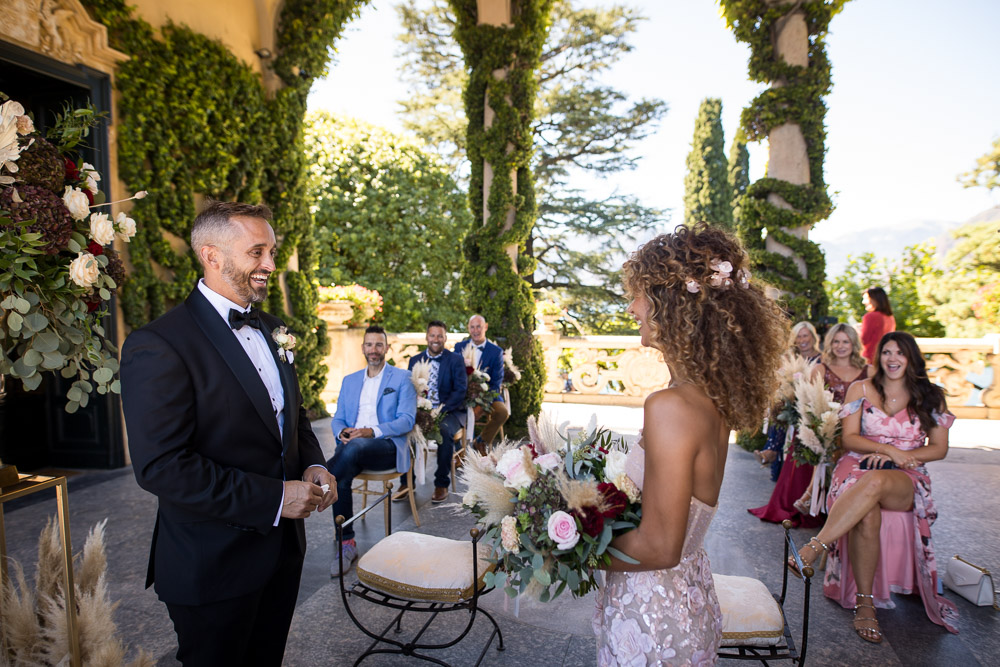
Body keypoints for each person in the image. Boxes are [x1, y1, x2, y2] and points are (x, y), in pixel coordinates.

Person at [120, 201, 337, 667]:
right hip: (212, 566)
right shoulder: (158, 344)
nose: (270, 265)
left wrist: (314, 463)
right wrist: (277, 498)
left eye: (273, 251)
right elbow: (163, 467)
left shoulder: (277, 330)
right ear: (211, 256)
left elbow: (292, 419)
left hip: (281, 555)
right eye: (257, 251)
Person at [594, 224, 789, 664]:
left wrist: (562, 547)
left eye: (640, 294)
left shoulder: (671, 406)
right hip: (688, 595)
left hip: (653, 612)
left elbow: (660, 546)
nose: (632, 307)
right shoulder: (708, 396)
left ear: (672, 303)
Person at [791, 332, 958, 642]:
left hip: (905, 473)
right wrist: (881, 450)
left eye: (900, 353)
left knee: (878, 480)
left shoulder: (932, 395)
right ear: (878, 357)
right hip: (855, 464)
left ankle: (815, 546)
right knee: (868, 510)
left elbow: (938, 448)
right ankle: (865, 605)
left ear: (912, 358)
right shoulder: (861, 388)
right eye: (886, 352)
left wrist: (897, 456)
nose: (892, 359)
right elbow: (849, 439)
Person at [749, 323, 869, 527]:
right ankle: (810, 497)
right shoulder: (821, 368)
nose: (840, 346)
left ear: (853, 343)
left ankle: (821, 498)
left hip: (859, 429)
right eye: (836, 341)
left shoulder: (868, 370)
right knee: (822, 441)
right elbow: (810, 406)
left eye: (845, 341)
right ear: (830, 343)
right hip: (828, 426)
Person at [328, 324, 416, 576]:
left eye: (379, 344)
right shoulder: (350, 380)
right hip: (352, 449)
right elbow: (338, 419)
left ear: (387, 348)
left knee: (351, 451)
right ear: (363, 347)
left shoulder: (401, 378)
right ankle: (346, 543)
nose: (373, 349)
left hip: (386, 446)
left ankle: (319, 478)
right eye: (369, 344)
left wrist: (371, 430)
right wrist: (341, 432)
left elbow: (406, 420)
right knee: (342, 474)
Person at [403, 320, 467, 503]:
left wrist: (440, 410)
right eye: (432, 335)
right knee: (404, 429)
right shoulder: (415, 360)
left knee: (444, 432)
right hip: (421, 411)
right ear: (426, 337)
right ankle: (405, 482)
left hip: (448, 411)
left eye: (440, 336)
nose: (436, 339)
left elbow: (460, 390)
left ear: (445, 338)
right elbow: (409, 389)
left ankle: (441, 483)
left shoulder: (455, 360)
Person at [755, 321, 823, 475]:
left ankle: (771, 451)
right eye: (798, 337)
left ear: (813, 337)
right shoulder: (790, 358)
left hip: (812, 403)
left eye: (805, 335)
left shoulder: (821, 359)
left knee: (787, 408)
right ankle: (771, 451)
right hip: (791, 402)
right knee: (780, 406)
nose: (802, 340)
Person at [453, 314, 507, 454]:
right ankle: (457, 449)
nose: (475, 330)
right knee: (451, 410)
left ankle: (481, 441)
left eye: (479, 327)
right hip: (463, 394)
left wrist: (482, 405)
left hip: (489, 396)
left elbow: (496, 383)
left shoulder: (496, 352)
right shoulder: (459, 347)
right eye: (472, 327)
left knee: (502, 412)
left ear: (485, 327)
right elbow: (453, 374)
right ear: (468, 328)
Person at [859, 287, 895, 365]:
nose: (863, 302)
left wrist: (857, 331)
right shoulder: (890, 317)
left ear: (875, 299)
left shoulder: (871, 316)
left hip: (870, 359)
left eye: (866, 299)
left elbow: (863, 340)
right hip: (885, 358)